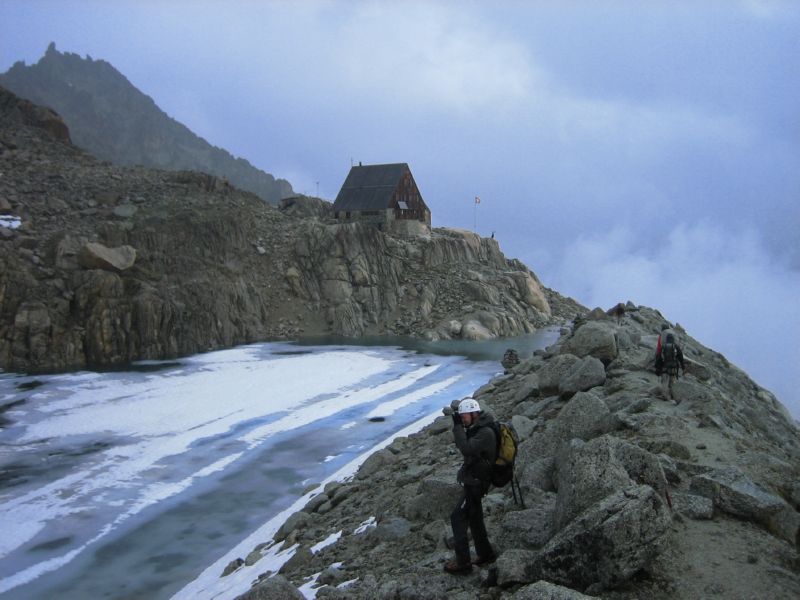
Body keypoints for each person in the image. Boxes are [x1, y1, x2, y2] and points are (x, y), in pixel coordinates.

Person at [443, 397, 497, 575]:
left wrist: (457, 427)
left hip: (477, 483)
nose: (463, 419)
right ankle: (485, 553)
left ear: (474, 414)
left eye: (464, 416)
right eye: (461, 416)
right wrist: (461, 427)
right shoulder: (478, 428)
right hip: (474, 481)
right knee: (474, 517)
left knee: (457, 517)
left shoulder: (485, 432)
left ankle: (463, 563)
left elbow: (466, 448)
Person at [655, 324, 685, 400]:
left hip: (665, 365)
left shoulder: (663, 347)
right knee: (672, 381)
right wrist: (682, 365)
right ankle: (673, 396)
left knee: (665, 380)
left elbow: (659, 357)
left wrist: (658, 368)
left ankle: (665, 395)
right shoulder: (676, 347)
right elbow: (680, 357)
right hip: (674, 366)